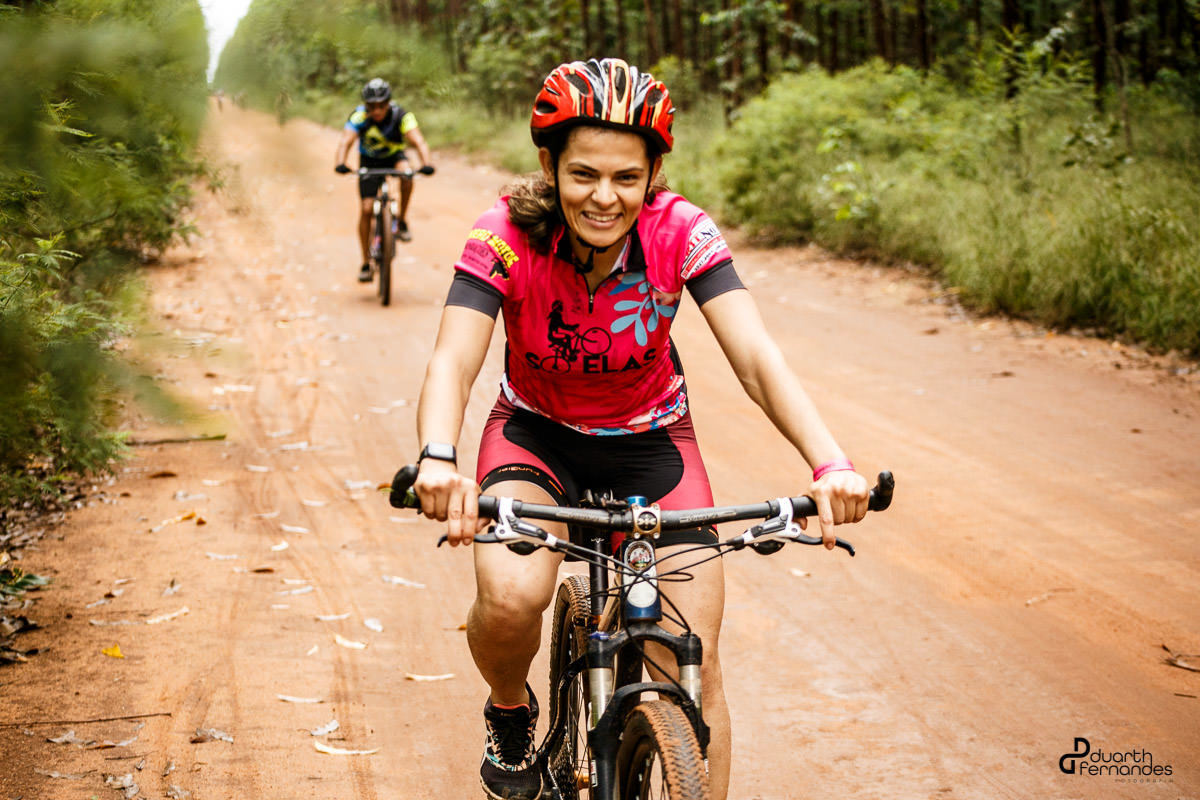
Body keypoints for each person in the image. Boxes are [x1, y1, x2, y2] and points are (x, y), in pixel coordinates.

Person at [411, 58, 870, 800]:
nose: (604, 196)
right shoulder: (503, 236)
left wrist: (831, 465)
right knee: (510, 600)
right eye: (583, 174)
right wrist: (439, 457)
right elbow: (453, 361)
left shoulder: (680, 231)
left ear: (654, 173)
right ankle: (510, 708)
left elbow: (756, 358)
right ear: (549, 167)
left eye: (627, 177)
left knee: (692, 661)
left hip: (653, 444)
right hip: (536, 435)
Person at [334, 77, 435, 283]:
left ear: (388, 103)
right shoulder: (359, 115)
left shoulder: (402, 115)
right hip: (369, 161)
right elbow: (345, 141)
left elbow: (418, 140)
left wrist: (427, 163)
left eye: (381, 105)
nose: (377, 110)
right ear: (366, 105)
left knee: (407, 174)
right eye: (372, 106)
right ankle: (365, 262)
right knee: (366, 209)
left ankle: (402, 220)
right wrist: (340, 162)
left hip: (394, 157)